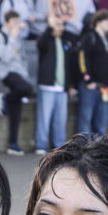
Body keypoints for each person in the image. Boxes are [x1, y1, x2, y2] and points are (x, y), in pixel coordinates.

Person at [0, 10, 35, 155]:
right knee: (26, 89)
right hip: (7, 73)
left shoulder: (18, 38)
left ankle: (13, 143)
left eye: (18, 22)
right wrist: (12, 38)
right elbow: (5, 57)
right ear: (6, 23)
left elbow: (22, 58)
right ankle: (5, 97)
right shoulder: (0, 36)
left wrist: (26, 75)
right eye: (14, 23)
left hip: (19, 74)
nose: (17, 25)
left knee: (16, 107)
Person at [35, 13, 75, 155]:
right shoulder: (46, 40)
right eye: (58, 25)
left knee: (60, 119)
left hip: (62, 87)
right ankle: (41, 145)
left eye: (62, 25)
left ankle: (59, 146)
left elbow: (68, 66)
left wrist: (69, 85)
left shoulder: (66, 41)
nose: (61, 28)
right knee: (44, 119)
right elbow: (40, 44)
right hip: (47, 86)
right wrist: (49, 28)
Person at [77, 10, 108, 137]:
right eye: (107, 21)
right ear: (98, 22)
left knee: (101, 123)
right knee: (85, 122)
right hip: (90, 86)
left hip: (103, 86)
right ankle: (82, 151)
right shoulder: (90, 37)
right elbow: (82, 58)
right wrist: (87, 79)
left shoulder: (107, 40)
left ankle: (98, 152)